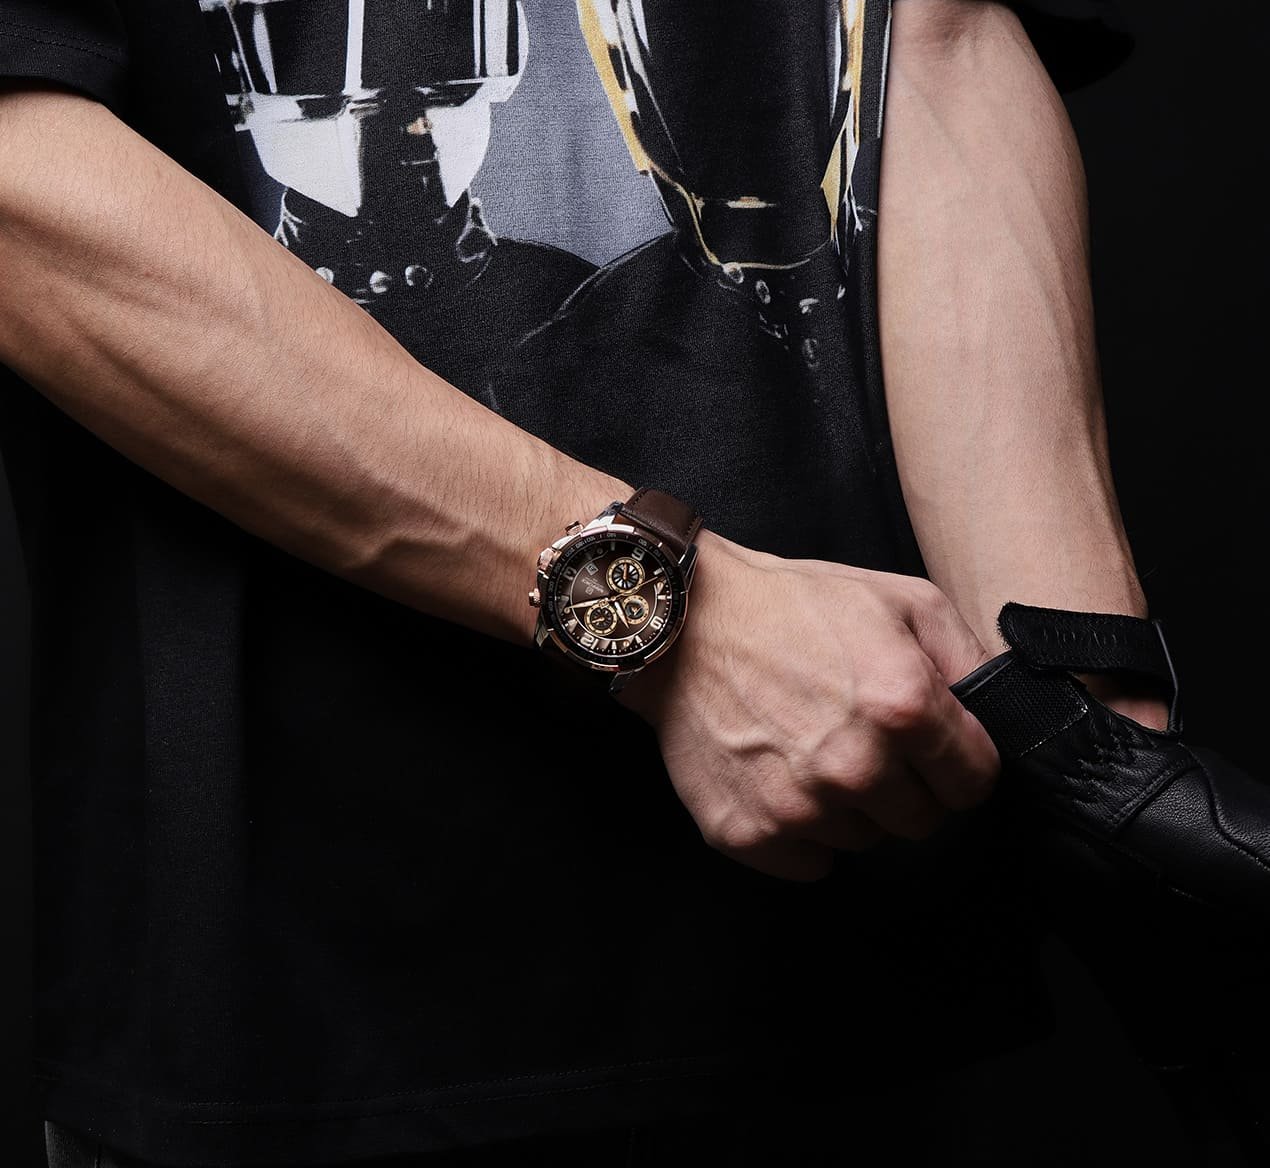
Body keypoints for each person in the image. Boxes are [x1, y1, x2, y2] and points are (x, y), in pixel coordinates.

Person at [0, 0, 1162, 1164]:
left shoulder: (566, 289)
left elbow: (937, 37)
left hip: (893, 863)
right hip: (307, 961)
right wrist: (673, 617)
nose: (399, 130)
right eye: (327, 102)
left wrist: (1095, 727)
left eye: (438, 95)